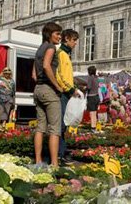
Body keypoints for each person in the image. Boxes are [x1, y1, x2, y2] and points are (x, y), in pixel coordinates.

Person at [32, 22, 63, 167]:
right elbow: (46, 66)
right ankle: (54, 164)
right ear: (49, 34)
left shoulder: (39, 49)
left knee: (40, 127)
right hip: (49, 90)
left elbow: (34, 74)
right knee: (54, 129)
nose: (59, 37)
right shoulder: (50, 47)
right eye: (57, 34)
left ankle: (38, 161)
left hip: (38, 89)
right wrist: (57, 86)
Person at [56, 29, 80, 164]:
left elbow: (66, 76)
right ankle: (59, 155)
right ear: (66, 39)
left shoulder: (65, 54)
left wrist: (73, 87)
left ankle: (62, 153)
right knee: (61, 124)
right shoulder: (61, 54)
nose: (75, 43)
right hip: (63, 93)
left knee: (64, 124)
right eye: (73, 40)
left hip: (67, 92)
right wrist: (70, 89)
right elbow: (60, 76)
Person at [86, 65, 100, 132]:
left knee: (92, 113)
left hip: (91, 96)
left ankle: (92, 128)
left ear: (89, 71)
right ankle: (94, 127)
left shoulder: (90, 77)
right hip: (97, 96)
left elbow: (88, 87)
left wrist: (84, 88)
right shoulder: (96, 77)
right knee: (94, 113)